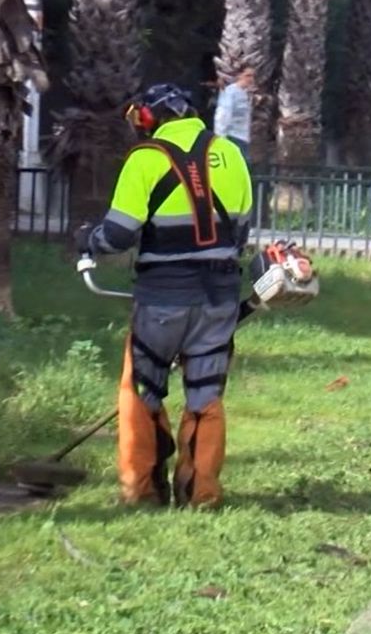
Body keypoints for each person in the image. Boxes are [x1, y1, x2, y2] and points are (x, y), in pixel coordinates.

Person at [76, 83, 253, 508]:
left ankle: (142, 491)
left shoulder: (146, 159)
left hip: (162, 300)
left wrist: (88, 240)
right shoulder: (230, 152)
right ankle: (202, 492)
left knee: (141, 389)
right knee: (206, 393)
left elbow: (118, 234)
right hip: (219, 298)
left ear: (151, 119)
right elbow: (242, 229)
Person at [212, 66, 254, 162]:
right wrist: (220, 138)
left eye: (252, 76)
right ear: (239, 76)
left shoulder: (245, 93)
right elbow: (223, 115)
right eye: (247, 76)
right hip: (233, 137)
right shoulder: (231, 92)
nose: (251, 79)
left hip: (243, 137)